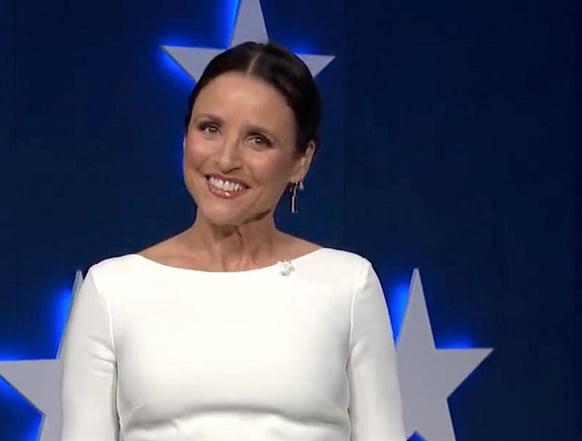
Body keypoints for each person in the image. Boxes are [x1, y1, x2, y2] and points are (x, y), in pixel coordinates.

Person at [60, 41, 405, 441]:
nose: (226, 159)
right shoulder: (111, 290)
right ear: (185, 136)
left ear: (301, 160)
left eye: (257, 140)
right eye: (210, 128)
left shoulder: (348, 284)